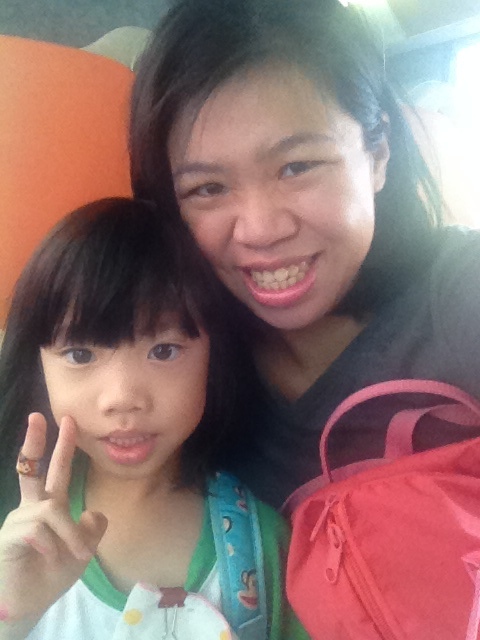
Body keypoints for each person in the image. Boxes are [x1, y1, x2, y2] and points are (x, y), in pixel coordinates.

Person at [129, 0, 480, 509]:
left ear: (377, 155)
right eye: (208, 188)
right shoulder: (183, 371)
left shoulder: (460, 293)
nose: (261, 230)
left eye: (297, 167)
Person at [0, 198, 309, 639]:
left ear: (214, 358)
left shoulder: (262, 546)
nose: (123, 399)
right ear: (38, 366)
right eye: (80, 354)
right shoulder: (11, 527)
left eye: (164, 351)